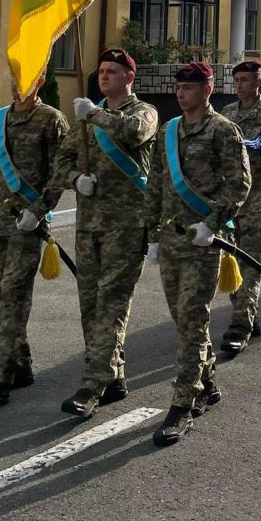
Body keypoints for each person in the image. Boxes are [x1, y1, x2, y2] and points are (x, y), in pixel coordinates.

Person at [143, 61, 251, 446]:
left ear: (206, 91)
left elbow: (240, 184)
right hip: (171, 241)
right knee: (184, 319)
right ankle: (207, 381)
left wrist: (213, 223)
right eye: (178, 87)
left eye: (188, 87)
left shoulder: (223, 130)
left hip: (203, 242)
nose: (180, 92)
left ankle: (182, 405)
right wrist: (152, 236)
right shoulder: (168, 131)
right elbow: (156, 183)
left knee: (191, 318)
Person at [50, 46, 158, 419]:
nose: (104, 76)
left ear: (129, 77)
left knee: (111, 305)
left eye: (112, 71)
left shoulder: (143, 111)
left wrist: (94, 115)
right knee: (91, 306)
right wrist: (74, 179)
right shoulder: (86, 117)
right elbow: (60, 161)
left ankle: (91, 385)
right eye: (101, 71)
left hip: (127, 226)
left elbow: (135, 133)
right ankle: (113, 376)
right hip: (89, 226)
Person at [0, 73, 69, 410]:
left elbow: (60, 173)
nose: (17, 82)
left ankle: (0, 378)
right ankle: (21, 364)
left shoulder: (51, 120)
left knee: (13, 296)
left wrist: (39, 211)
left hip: (27, 226)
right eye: (14, 75)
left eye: (25, 76)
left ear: (40, 80)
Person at [218, 59, 261, 355]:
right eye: (237, 80)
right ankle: (247, 314)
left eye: (245, 80)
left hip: (257, 201)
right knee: (232, 266)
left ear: (258, 82)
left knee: (251, 267)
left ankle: (239, 328)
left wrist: (246, 150)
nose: (240, 85)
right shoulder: (227, 113)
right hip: (232, 204)